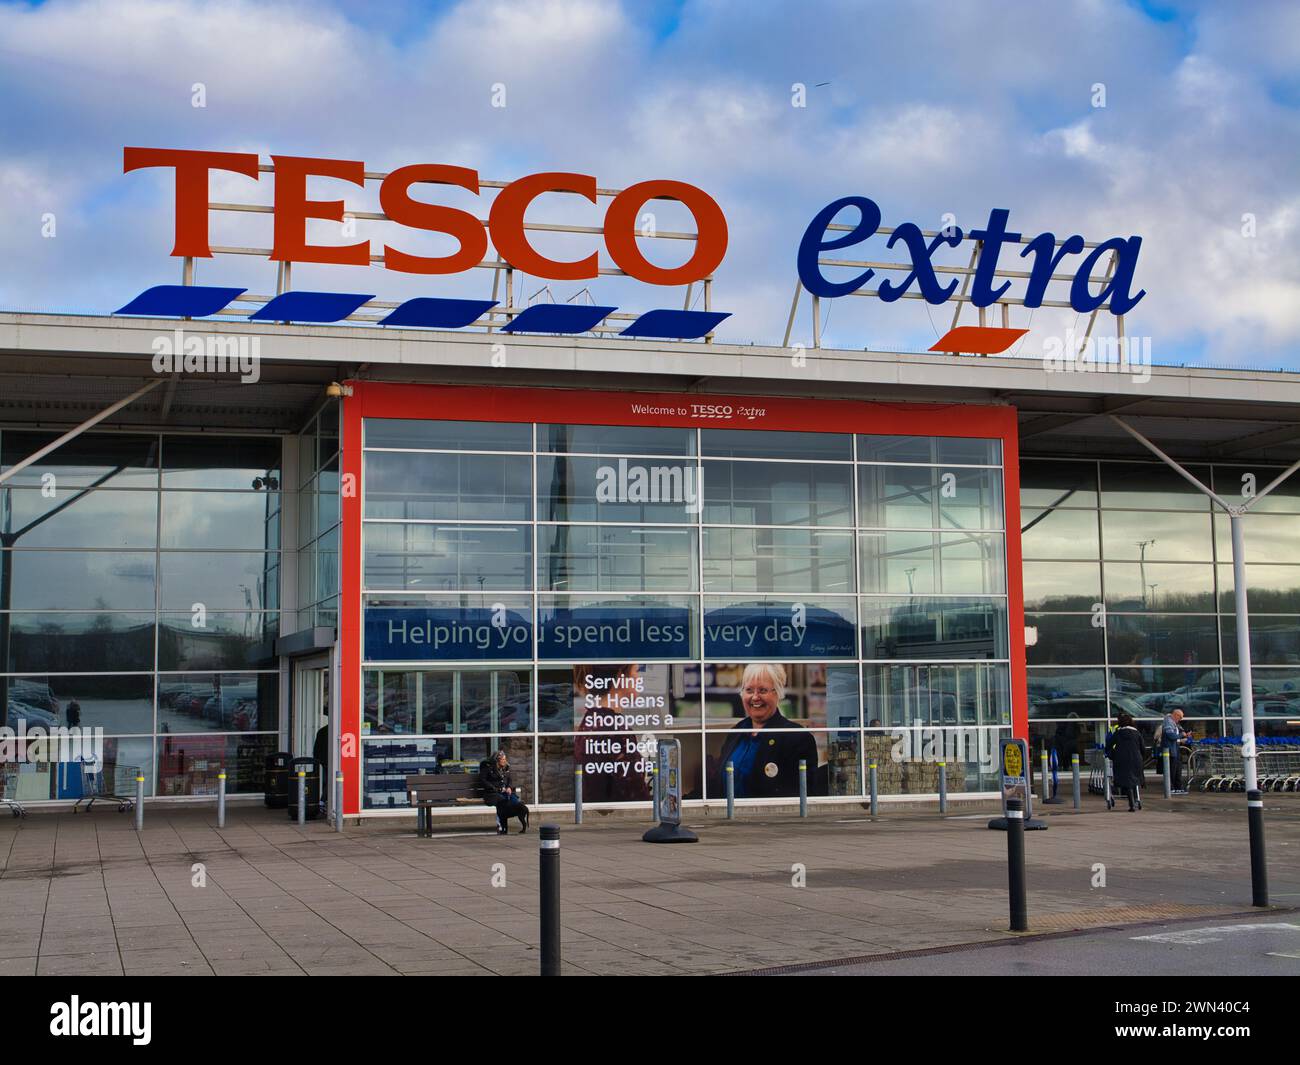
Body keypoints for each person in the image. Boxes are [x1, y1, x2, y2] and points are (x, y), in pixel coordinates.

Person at [711, 664, 821, 799]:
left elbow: (802, 796)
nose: (755, 697)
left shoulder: (797, 737)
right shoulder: (737, 732)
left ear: (778, 693)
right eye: (749, 690)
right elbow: (716, 786)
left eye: (762, 690)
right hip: (729, 817)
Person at [480, 749, 529, 834]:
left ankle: (509, 823)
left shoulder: (506, 767)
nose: (504, 761)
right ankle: (501, 825)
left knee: (515, 801)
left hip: (504, 792)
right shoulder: (488, 768)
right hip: (492, 793)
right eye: (502, 759)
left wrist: (509, 787)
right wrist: (495, 788)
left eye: (505, 759)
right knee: (502, 802)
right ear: (497, 760)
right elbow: (483, 780)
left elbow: (509, 780)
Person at [1105, 711, 1145, 812]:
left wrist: (1111, 754)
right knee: (1133, 780)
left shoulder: (1118, 733)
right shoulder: (1137, 733)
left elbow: (1108, 746)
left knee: (1127, 781)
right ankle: (1135, 800)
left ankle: (1132, 804)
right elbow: (1142, 748)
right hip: (1135, 759)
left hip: (1121, 760)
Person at [1162, 708, 1192, 794]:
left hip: (1175, 748)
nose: (1180, 720)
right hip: (1170, 749)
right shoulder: (1168, 722)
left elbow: (1175, 736)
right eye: (1180, 718)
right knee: (1172, 769)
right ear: (1175, 715)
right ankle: (1171, 787)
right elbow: (1171, 736)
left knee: (1178, 768)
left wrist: (1184, 736)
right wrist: (1181, 735)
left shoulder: (1174, 723)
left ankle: (1177, 786)